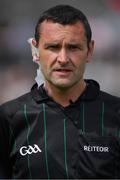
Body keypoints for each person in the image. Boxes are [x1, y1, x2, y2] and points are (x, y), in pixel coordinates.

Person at [0, 4, 120, 179]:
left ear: (90, 50)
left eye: (73, 47)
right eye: (53, 47)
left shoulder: (116, 114)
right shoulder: (9, 118)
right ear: (36, 51)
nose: (63, 59)